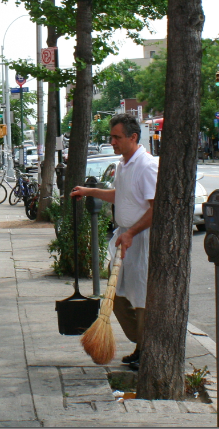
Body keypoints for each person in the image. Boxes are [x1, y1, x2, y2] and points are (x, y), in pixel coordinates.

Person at [71, 113, 157, 371]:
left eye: (117, 137)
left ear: (133, 137)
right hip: (126, 237)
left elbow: (155, 208)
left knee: (141, 295)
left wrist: (132, 233)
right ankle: (140, 342)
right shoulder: (123, 165)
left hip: (142, 239)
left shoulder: (147, 165)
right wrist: (89, 191)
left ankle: (145, 349)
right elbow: (121, 195)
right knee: (117, 291)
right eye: (111, 137)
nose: (112, 142)